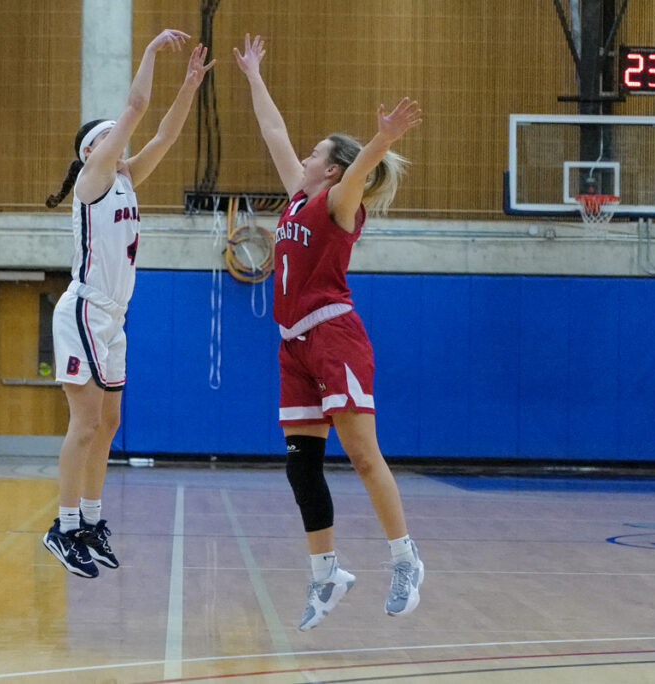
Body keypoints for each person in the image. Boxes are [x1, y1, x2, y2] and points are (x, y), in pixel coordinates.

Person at [234, 34, 425, 628]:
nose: (305, 158)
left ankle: (405, 559)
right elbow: (274, 133)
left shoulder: (341, 202)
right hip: (293, 345)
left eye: (316, 154)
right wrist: (254, 76)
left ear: (334, 169)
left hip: (334, 336)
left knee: (364, 456)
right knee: (301, 463)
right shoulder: (298, 197)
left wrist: (384, 138)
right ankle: (326, 575)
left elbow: (362, 166)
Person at [42, 30, 215, 578]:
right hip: (84, 310)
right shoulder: (93, 180)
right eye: (108, 136)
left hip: (113, 318)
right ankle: (63, 526)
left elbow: (164, 131)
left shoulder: (127, 178)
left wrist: (189, 85)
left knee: (109, 421)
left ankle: (91, 520)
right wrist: (148, 54)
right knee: (86, 422)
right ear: (91, 151)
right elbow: (139, 107)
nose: (120, 140)